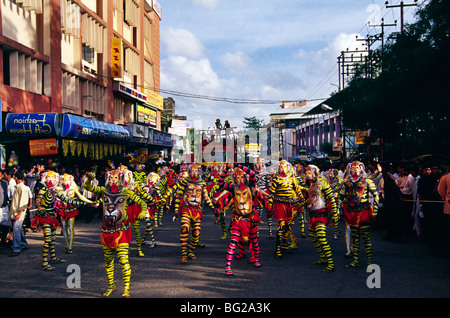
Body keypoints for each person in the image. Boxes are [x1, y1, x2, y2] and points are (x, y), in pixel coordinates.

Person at [84, 169, 147, 298]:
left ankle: (126, 288)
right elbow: (88, 187)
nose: (113, 181)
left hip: (121, 232)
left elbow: (142, 202)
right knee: (108, 261)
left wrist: (142, 212)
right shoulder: (103, 191)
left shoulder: (127, 192)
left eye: (116, 178)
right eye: (111, 178)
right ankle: (111, 285)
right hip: (106, 231)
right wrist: (89, 179)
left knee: (123, 260)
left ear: (121, 179)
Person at [172, 164, 216, 264]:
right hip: (186, 209)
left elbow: (206, 197)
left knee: (196, 233)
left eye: (196, 171)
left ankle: (191, 252)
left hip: (197, 210)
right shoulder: (185, 182)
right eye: (192, 171)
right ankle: (184, 254)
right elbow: (179, 196)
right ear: (189, 172)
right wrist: (175, 211)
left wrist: (213, 209)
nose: (194, 173)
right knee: (184, 229)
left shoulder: (202, 182)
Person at [338, 161, 379, 268]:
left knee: (366, 237)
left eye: (357, 167)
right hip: (351, 212)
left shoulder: (367, 181)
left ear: (362, 168)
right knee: (355, 238)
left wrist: (375, 211)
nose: (355, 170)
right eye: (353, 168)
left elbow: (376, 196)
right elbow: (341, 196)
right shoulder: (348, 182)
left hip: (364, 211)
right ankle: (356, 260)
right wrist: (338, 210)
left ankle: (369, 261)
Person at [267, 160, 305, 258]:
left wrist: (301, 198)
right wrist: (270, 206)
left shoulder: (291, 178)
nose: (282, 168)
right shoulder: (276, 179)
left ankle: (284, 244)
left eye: (284, 166)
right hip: (279, 204)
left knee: (288, 225)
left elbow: (296, 188)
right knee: (281, 226)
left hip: (289, 204)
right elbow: (272, 193)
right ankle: (277, 249)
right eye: (281, 167)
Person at [305, 165, 339, 272]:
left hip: (321, 214)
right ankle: (323, 258)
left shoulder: (323, 183)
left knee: (321, 237)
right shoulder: (311, 184)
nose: (307, 174)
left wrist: (334, 213)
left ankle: (331, 263)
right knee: (312, 237)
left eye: (309, 172)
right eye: (306, 172)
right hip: (312, 214)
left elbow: (331, 198)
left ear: (315, 172)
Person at [9, 171, 32, 257]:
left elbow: (23, 202)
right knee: (19, 229)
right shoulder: (18, 187)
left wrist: (19, 213)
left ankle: (16, 248)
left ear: (16, 178)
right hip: (16, 212)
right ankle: (23, 244)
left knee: (16, 229)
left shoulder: (23, 188)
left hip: (19, 213)